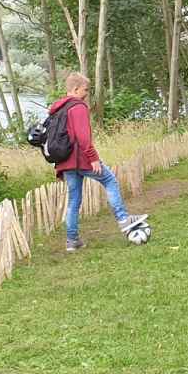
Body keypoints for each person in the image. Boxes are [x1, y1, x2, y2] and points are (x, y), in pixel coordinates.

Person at [47, 72, 148, 250]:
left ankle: (72, 241)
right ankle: (123, 219)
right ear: (75, 89)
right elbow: (83, 137)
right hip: (82, 159)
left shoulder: (58, 109)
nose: (87, 93)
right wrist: (93, 158)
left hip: (66, 162)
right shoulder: (77, 107)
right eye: (85, 90)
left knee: (74, 200)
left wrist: (60, 167)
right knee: (110, 180)